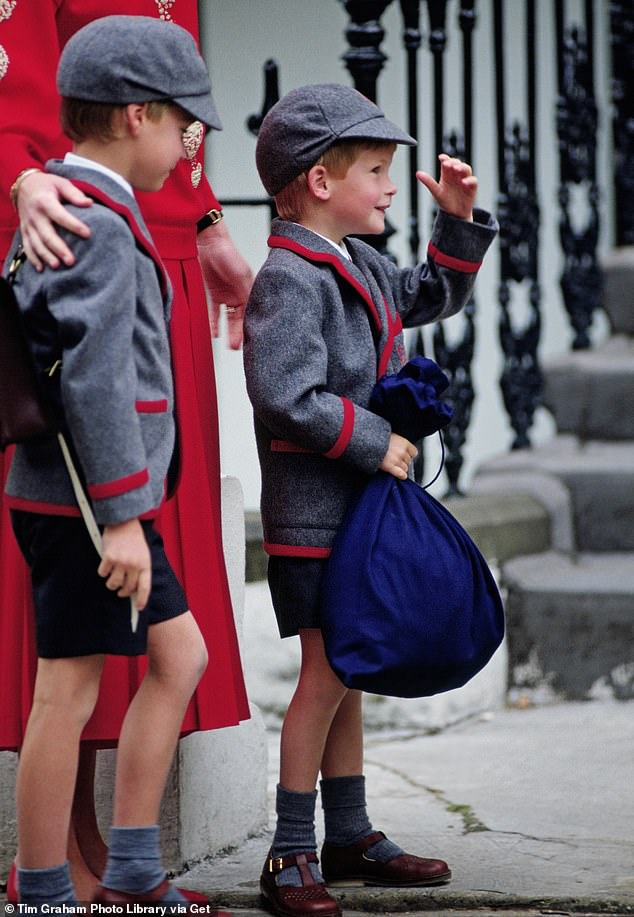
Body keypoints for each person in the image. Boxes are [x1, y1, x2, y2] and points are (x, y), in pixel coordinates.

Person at [0, 0, 250, 899]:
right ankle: (44, 888)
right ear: (138, 115)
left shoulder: (90, 205)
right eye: (184, 124)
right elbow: (97, 384)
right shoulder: (96, 224)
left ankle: (134, 870)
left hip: (104, 506)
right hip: (90, 511)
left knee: (180, 657)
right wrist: (122, 520)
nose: (191, 147)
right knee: (64, 695)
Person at [243, 83, 498, 917]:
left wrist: (458, 222)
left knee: (348, 671)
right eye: (379, 171)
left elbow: (428, 295)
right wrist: (369, 436)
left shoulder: (360, 261)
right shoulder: (289, 276)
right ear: (321, 181)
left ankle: (347, 833)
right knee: (324, 674)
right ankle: (289, 851)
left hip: (355, 517)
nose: (392, 186)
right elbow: (283, 390)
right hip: (316, 514)